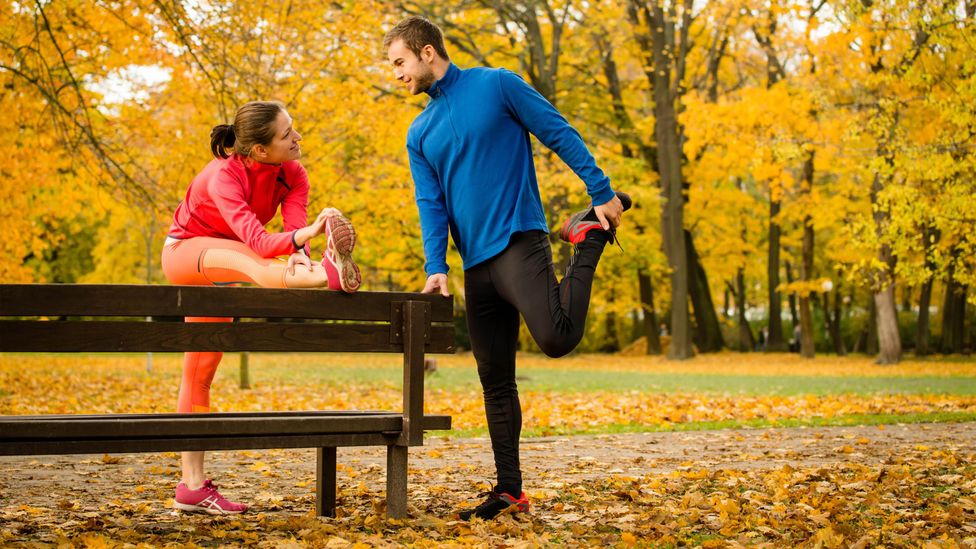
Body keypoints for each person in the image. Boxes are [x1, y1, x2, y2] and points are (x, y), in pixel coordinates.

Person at [384, 16, 630, 521]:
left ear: (427, 52)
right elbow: (430, 201)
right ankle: (509, 488)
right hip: (476, 265)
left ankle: (589, 238)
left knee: (558, 338)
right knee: (495, 380)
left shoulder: (497, 84)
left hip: (518, 241)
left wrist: (600, 192)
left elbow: (557, 131)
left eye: (400, 62)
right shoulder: (419, 132)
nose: (396, 74)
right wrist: (436, 265)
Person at [161, 100, 361, 514]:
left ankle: (191, 487)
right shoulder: (223, 178)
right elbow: (258, 242)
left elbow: (290, 235)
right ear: (259, 151)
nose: (297, 138)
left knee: (200, 370)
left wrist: (301, 250)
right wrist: (304, 241)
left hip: (219, 269)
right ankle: (331, 274)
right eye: (287, 134)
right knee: (253, 262)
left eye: (294, 129)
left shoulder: (293, 173)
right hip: (186, 253)